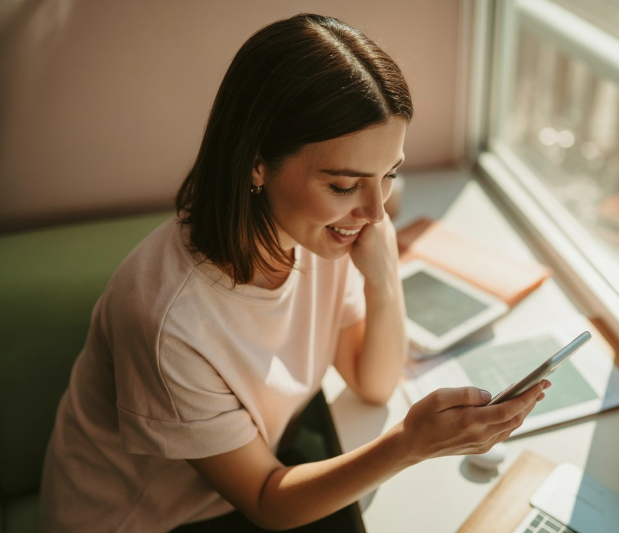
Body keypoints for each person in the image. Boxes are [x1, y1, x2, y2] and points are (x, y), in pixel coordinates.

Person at [39, 13, 550, 532]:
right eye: (345, 185)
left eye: (389, 174)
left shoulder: (316, 235)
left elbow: (373, 381)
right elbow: (267, 501)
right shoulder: (168, 319)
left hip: (240, 489)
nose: (376, 211)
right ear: (256, 164)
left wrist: (382, 275)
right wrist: (409, 445)